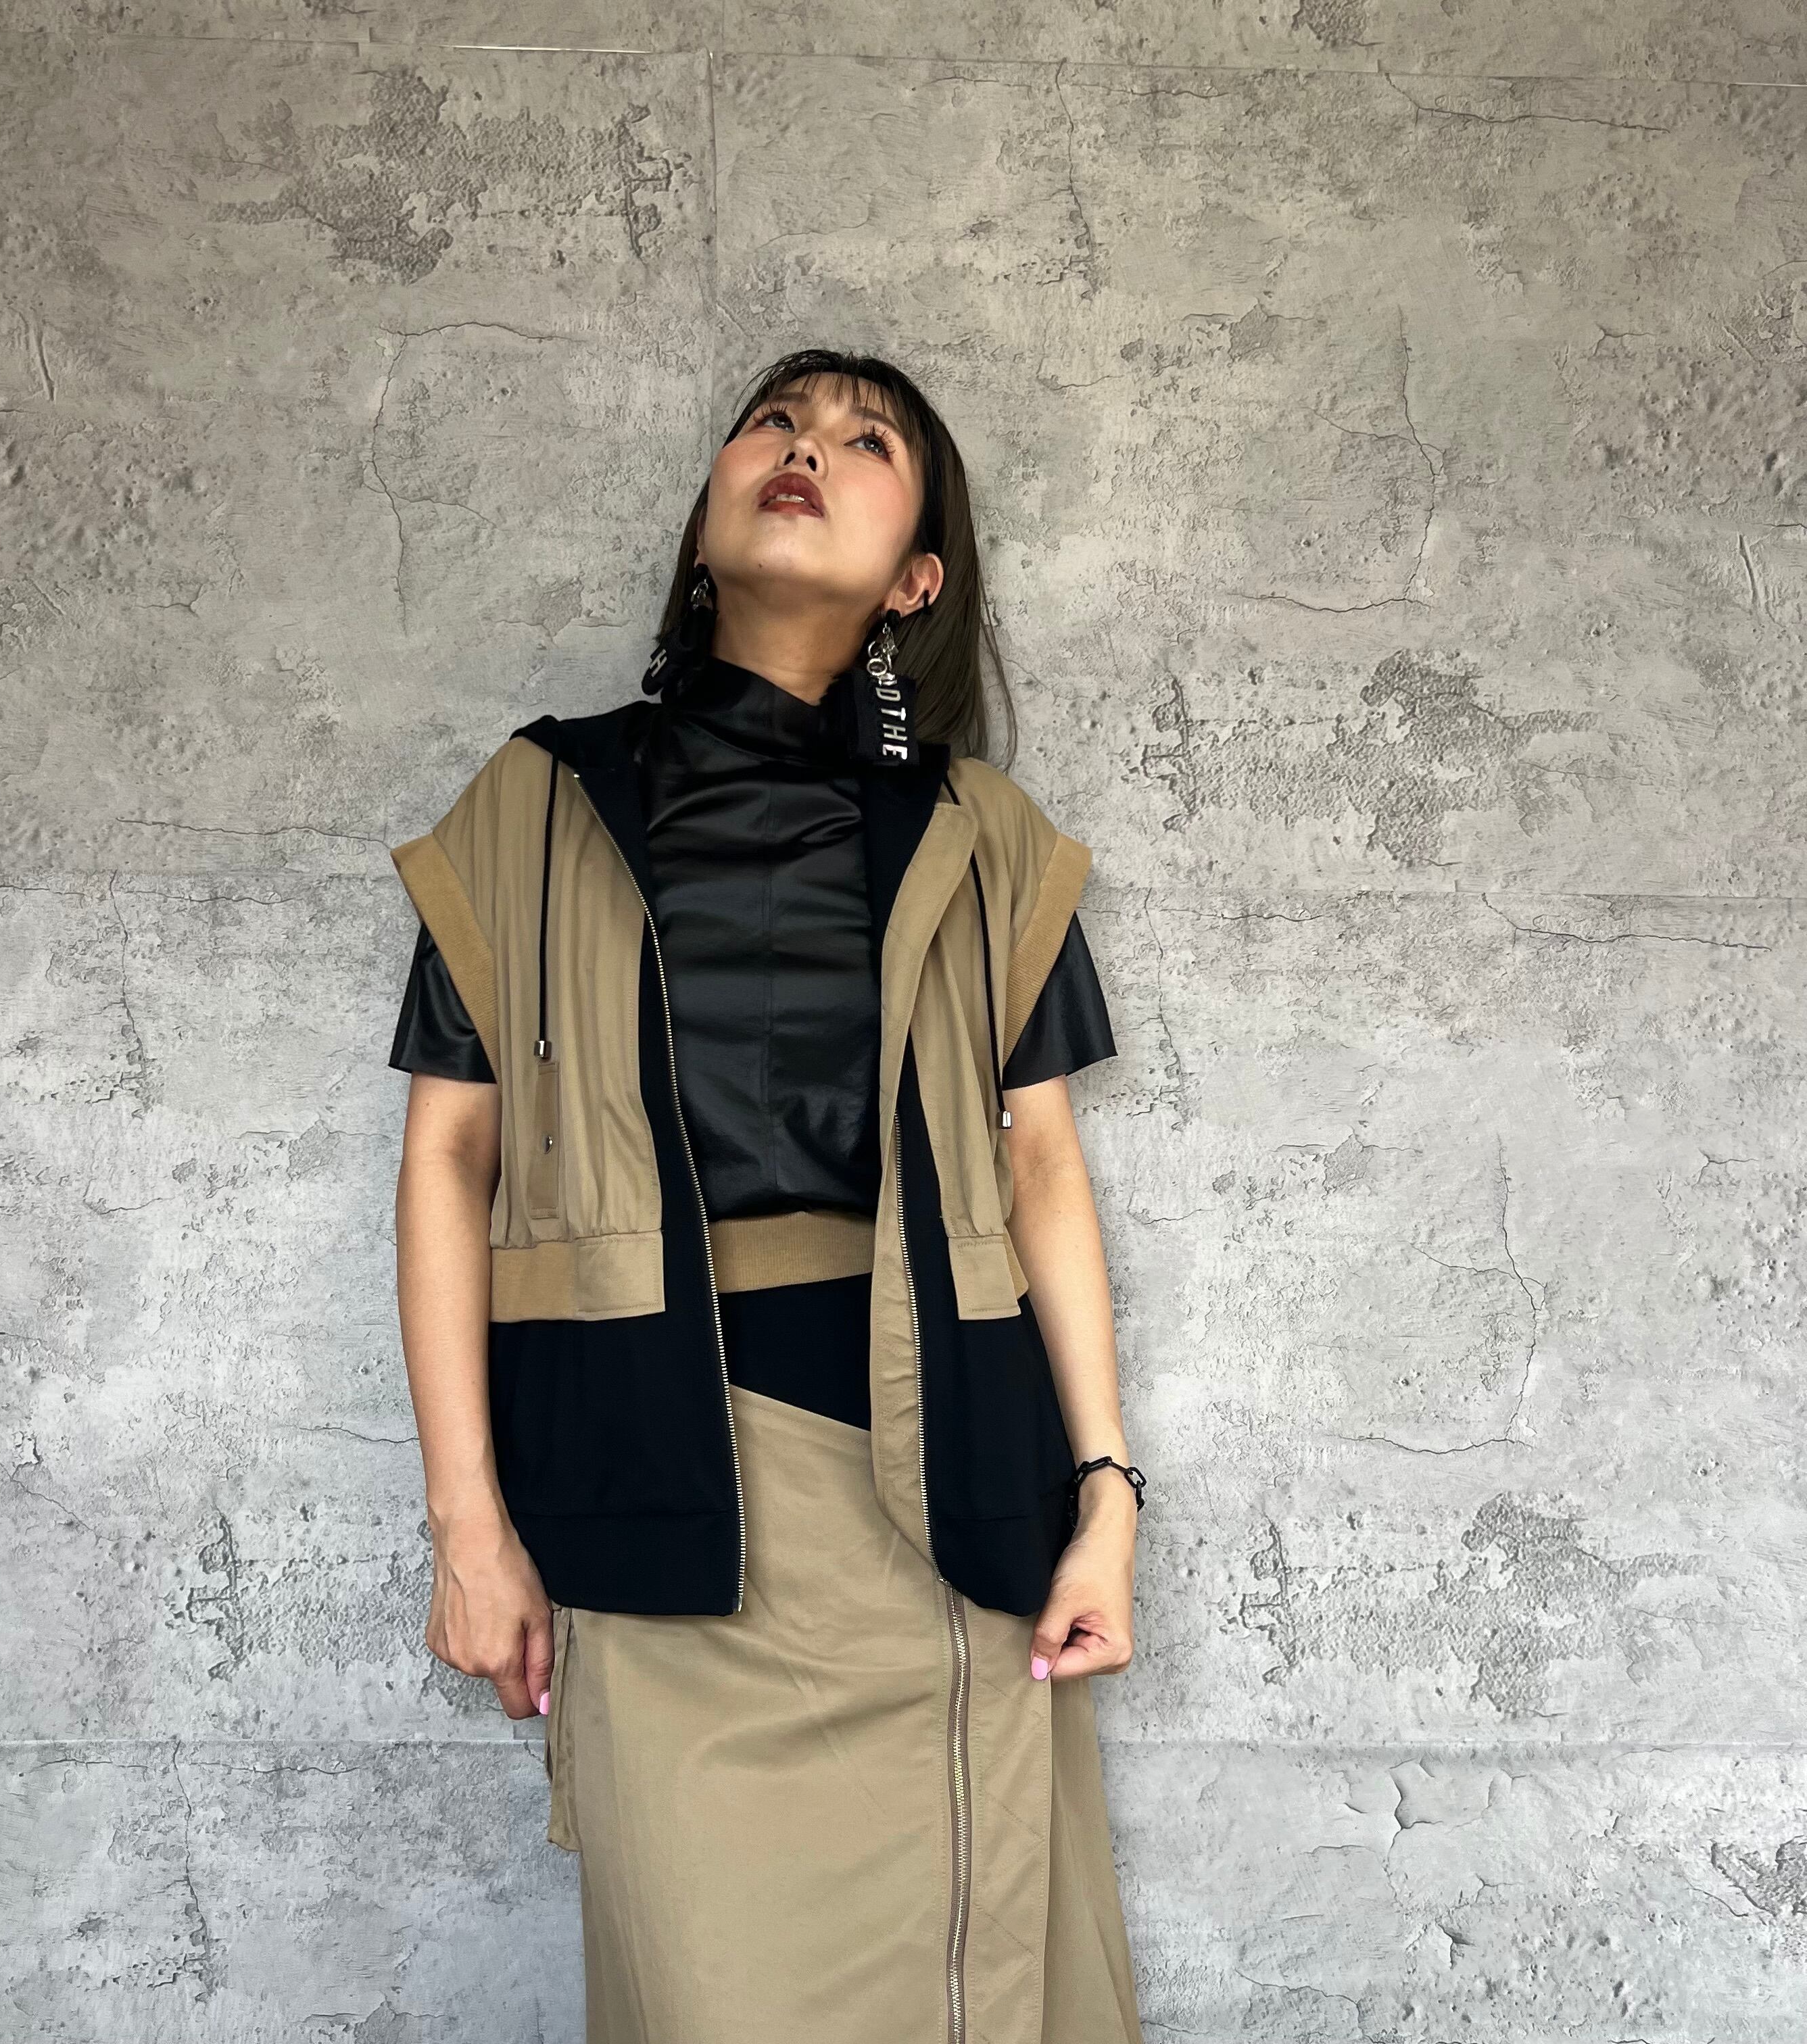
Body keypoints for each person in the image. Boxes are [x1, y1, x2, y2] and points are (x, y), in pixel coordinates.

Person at [388, 347, 1148, 2043]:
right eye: (776, 424)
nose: (808, 448)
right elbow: (447, 1159)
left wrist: (1108, 1497)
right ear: (708, 515)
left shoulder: (985, 838)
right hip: (651, 1489)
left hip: (945, 1495)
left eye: (866, 442)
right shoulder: (538, 803)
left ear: (916, 579)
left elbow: (1040, 1166)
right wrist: (468, 1528)